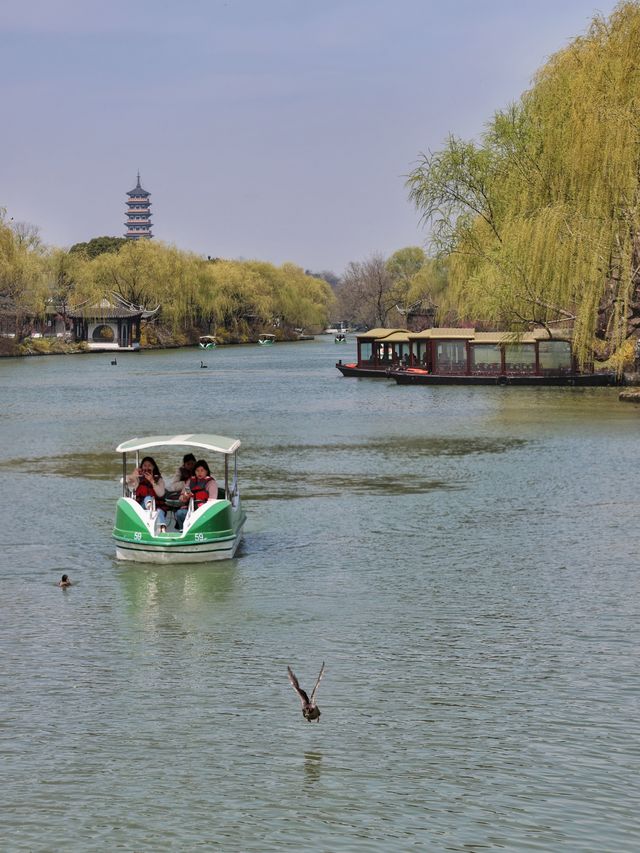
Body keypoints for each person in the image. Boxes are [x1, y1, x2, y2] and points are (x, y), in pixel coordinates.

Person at [126, 456, 168, 532]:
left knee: (159, 511)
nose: (147, 468)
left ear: (153, 467)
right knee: (147, 497)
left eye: (149, 466)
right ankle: (149, 506)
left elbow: (161, 494)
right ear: (141, 467)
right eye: (145, 466)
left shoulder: (159, 480)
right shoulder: (138, 479)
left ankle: (163, 529)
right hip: (141, 506)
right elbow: (126, 482)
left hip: (156, 506)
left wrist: (152, 481)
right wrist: (133, 475)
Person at [174, 459, 218, 531]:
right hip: (190, 509)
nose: (199, 473)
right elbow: (181, 498)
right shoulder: (190, 481)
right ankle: (182, 531)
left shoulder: (211, 483)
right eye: (197, 470)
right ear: (194, 471)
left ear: (206, 471)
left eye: (202, 470)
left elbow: (212, 502)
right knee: (179, 513)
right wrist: (185, 496)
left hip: (203, 512)